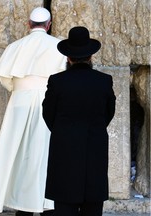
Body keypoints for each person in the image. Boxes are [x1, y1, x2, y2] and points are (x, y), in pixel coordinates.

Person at [0, 7, 66, 216]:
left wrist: (20, 92)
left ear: (29, 24)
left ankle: (23, 205)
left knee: (17, 156)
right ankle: (47, 203)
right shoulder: (59, 47)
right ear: (49, 25)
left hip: (19, 104)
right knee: (46, 155)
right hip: (48, 103)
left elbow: (5, 79)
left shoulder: (14, 47)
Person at [42, 26, 116, 216]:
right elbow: (109, 112)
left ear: (68, 58)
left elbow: (48, 113)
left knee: (65, 204)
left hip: (64, 148)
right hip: (95, 147)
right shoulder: (104, 80)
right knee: (93, 204)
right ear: (91, 56)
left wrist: (63, 131)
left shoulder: (57, 81)